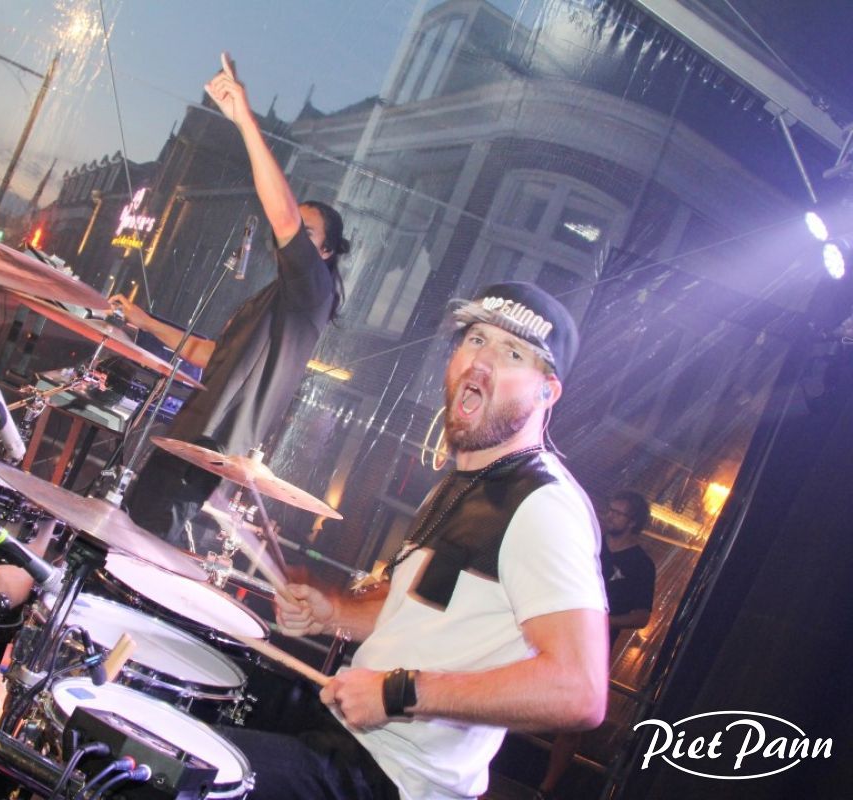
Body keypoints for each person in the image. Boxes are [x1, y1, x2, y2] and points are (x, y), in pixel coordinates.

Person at [223, 282, 610, 800]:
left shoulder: (543, 505)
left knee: (192, 773)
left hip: (394, 778)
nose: (482, 362)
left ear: (547, 392)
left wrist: (398, 693)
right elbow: (422, 614)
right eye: (476, 339)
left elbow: (579, 691)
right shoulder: (462, 483)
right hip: (346, 736)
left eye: (512, 353)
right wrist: (333, 614)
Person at [109, 53, 348, 549]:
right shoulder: (278, 299)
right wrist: (142, 321)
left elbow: (282, 215)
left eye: (307, 234)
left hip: (212, 444)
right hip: (192, 435)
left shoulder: (312, 294)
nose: (290, 236)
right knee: (124, 534)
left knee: (136, 547)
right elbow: (207, 354)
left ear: (324, 252)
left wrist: (244, 121)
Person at [535, 490, 656, 799]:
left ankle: (546, 790)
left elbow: (642, 616)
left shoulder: (641, 565)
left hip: (592, 650)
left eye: (617, 513)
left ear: (633, 522)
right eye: (610, 509)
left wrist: (604, 621)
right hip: (555, 634)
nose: (609, 516)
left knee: (573, 722)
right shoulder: (591, 544)